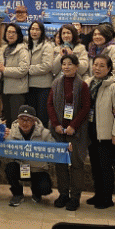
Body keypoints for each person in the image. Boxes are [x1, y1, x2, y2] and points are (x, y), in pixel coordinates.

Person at [48, 54, 91, 211]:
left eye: (70, 64)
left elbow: (85, 108)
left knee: (76, 164)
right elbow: (50, 105)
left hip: (77, 131)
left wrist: (73, 125)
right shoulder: (56, 83)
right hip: (59, 131)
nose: (66, 67)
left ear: (77, 67)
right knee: (60, 164)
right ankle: (63, 194)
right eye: (64, 64)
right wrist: (55, 124)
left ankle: (75, 197)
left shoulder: (82, 85)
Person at [85, 55, 115, 208]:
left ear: (109, 69)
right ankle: (98, 194)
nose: (97, 68)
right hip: (91, 131)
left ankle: (107, 198)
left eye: (102, 65)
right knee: (95, 166)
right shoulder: (88, 83)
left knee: (105, 167)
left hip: (106, 133)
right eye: (95, 64)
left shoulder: (114, 87)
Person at [5, 105, 55, 206]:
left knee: (45, 188)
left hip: (38, 169)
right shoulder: (10, 134)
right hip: (20, 168)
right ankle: (17, 194)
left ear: (34, 121)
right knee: (10, 168)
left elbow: (54, 151)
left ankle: (36, 191)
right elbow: (2, 152)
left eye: (28, 120)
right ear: (17, 120)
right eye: (22, 119)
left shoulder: (45, 134)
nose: (25, 123)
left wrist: (66, 148)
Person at [0, 22, 29, 124]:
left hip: (17, 91)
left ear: (18, 34)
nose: (10, 34)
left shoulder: (22, 50)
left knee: (16, 120)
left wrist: (5, 70)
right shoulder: (4, 48)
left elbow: (23, 70)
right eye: (8, 32)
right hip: (5, 88)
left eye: (13, 32)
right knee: (7, 119)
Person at [26, 21, 54, 127]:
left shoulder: (47, 46)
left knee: (42, 117)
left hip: (43, 86)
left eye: (37, 29)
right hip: (29, 86)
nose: (34, 32)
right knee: (31, 116)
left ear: (42, 31)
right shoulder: (26, 45)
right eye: (32, 29)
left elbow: (47, 66)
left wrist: (28, 69)